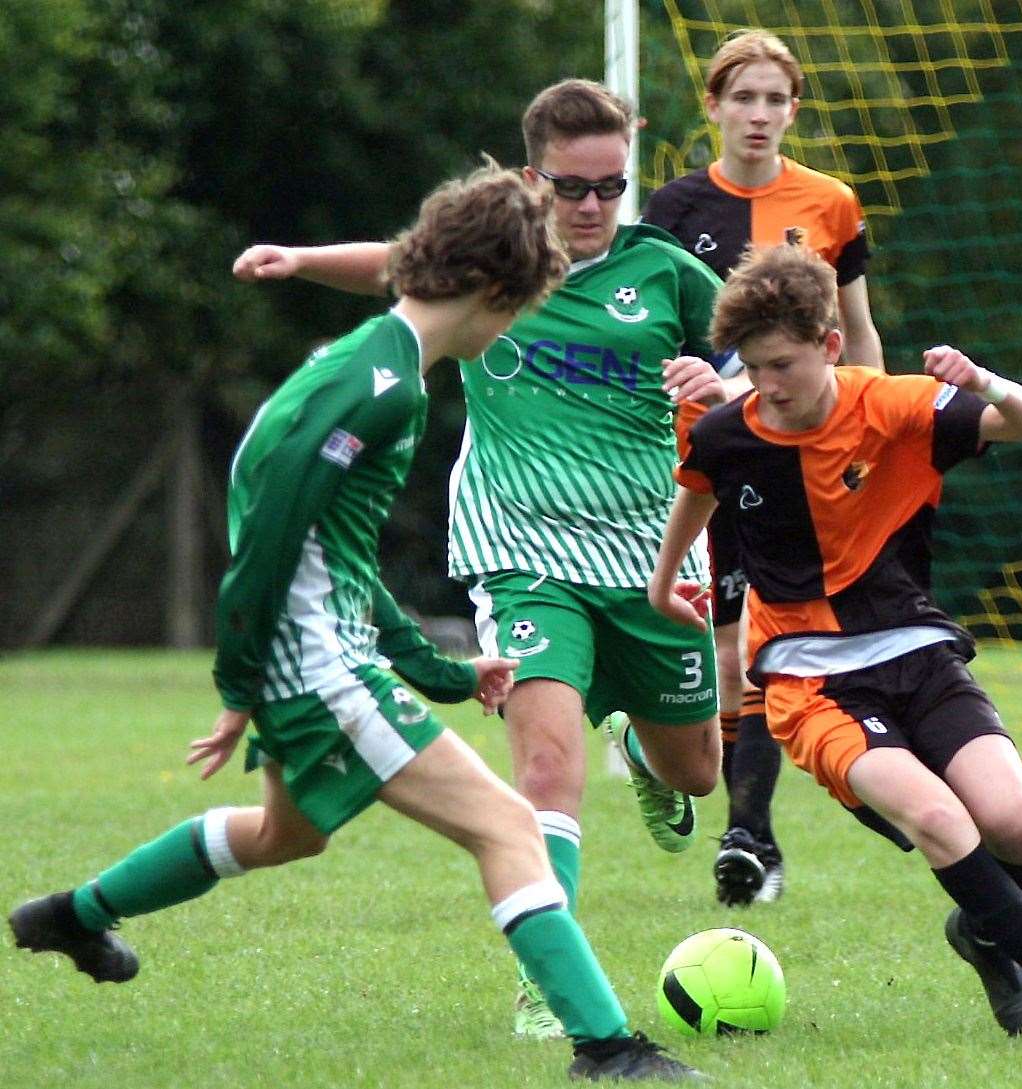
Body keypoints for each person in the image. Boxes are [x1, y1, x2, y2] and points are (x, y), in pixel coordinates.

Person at [9, 161, 696, 1080]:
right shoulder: (382, 391)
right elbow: (269, 538)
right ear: (492, 291)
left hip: (320, 656)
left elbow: (334, 551)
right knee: (509, 827)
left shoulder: (365, 364)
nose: (514, 328)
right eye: (519, 307)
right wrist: (239, 687)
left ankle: (73, 916)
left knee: (286, 834)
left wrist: (442, 668)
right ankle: (610, 1049)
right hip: (320, 668)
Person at [232, 80, 727, 1040]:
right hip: (521, 549)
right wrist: (299, 260)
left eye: (611, 188)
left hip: (653, 554)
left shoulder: (665, 273)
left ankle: (642, 744)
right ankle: (552, 984)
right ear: (534, 178)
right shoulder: (502, 274)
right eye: (572, 188)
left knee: (700, 770)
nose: (591, 208)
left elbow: (768, 353)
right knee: (546, 771)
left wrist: (724, 374)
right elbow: (397, 266)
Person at [648, 243, 1022, 1042]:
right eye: (753, 366)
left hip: (917, 653)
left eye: (784, 365)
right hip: (809, 682)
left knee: (1016, 824)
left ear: (830, 346)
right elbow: (695, 492)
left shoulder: (896, 406)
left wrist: (982, 381)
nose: (767, 386)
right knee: (944, 822)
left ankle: (984, 935)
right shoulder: (726, 431)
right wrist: (665, 578)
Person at [642, 28, 887, 907]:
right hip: (704, 454)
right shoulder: (670, 211)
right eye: (741, 97)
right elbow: (647, 337)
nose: (758, 114)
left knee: (764, 643)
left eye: (774, 99)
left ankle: (750, 836)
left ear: (793, 110)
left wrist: (873, 426)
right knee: (712, 650)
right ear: (711, 105)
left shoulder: (830, 203)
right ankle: (668, 759)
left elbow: (855, 336)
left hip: (804, 455)